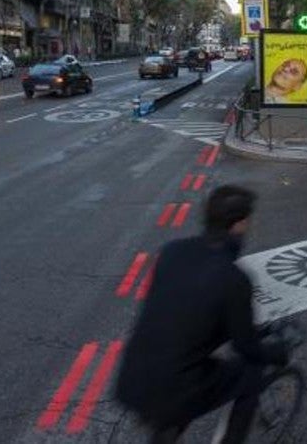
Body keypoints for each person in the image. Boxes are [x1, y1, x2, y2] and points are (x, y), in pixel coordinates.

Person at [115, 186, 286, 444]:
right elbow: (245, 347)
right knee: (251, 373)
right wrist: (276, 353)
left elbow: (185, 314)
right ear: (239, 223)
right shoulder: (233, 278)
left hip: (133, 376)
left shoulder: (172, 251)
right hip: (175, 386)